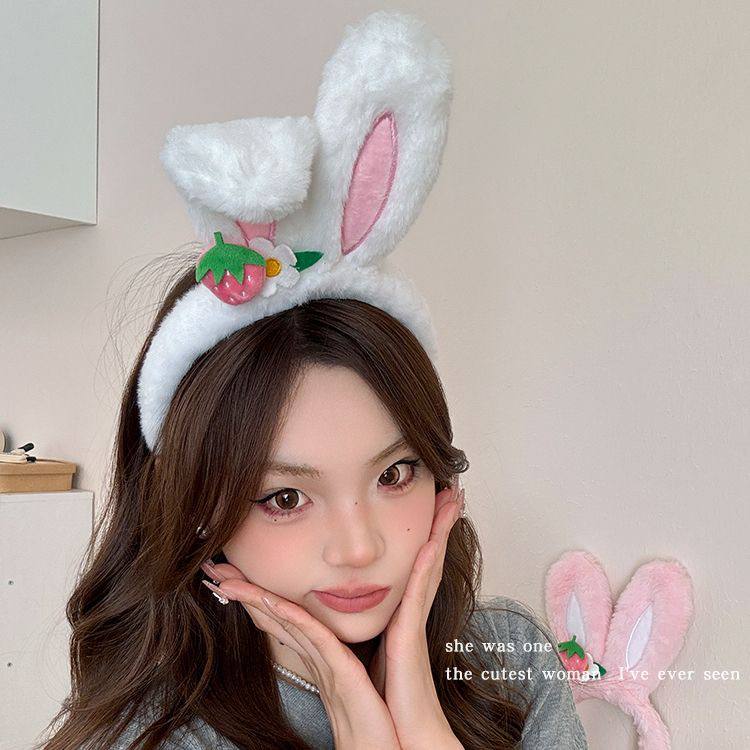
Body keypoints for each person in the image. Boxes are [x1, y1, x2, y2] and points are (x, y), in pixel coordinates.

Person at [39, 11, 587, 750]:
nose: (358, 548)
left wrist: (422, 716)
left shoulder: (506, 666)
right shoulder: (158, 737)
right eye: (285, 498)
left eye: (395, 474)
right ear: (200, 508)